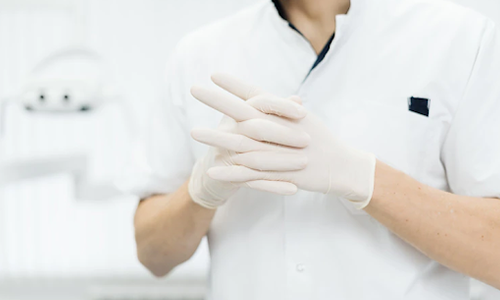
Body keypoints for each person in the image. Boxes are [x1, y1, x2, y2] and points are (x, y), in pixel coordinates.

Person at [118, 0, 500, 298]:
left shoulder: (461, 42)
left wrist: (361, 177)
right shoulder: (200, 54)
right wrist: (201, 190)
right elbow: (152, 254)